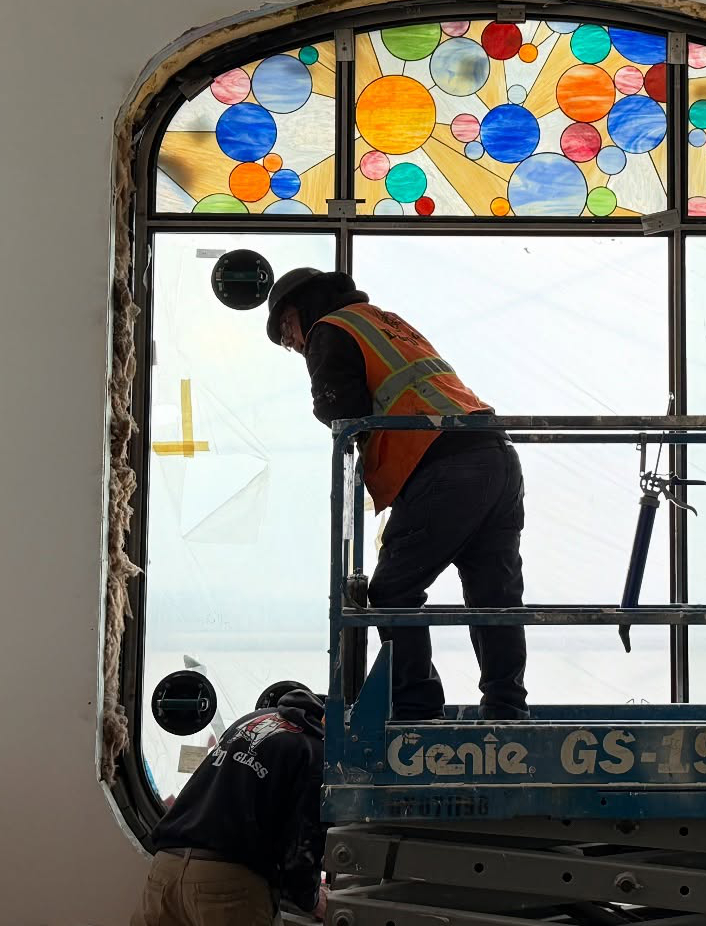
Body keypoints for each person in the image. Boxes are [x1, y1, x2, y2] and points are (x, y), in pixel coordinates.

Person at [265, 267, 529, 722]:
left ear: (304, 308)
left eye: (287, 328)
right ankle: (505, 708)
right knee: (494, 593)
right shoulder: (385, 321)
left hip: (445, 464)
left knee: (392, 590)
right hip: (495, 453)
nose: (292, 343)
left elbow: (339, 409)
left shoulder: (330, 328)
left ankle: (415, 707)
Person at [131, 686, 328, 926]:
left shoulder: (251, 720)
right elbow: (302, 846)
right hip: (228, 885)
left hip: (166, 871)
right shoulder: (317, 752)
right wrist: (312, 899)